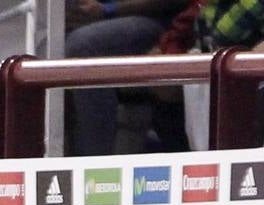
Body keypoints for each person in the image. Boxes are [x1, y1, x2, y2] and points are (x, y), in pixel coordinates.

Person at [64, 0, 194, 155]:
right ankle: (52, 160)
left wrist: (107, 10)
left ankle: (93, 165)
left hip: (159, 20)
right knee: (48, 34)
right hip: (97, 16)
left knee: (82, 44)